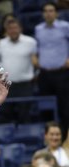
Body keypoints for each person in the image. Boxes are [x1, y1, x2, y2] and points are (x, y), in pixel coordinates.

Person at [0, 19, 37, 123]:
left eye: (15, 28)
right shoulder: (2, 43)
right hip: (7, 85)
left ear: (20, 29)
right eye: (10, 29)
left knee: (25, 114)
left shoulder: (30, 42)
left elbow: (36, 61)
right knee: (5, 114)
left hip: (25, 85)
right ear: (6, 31)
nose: (13, 31)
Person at [35, 2, 69, 131]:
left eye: (51, 10)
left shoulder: (65, 26)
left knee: (65, 108)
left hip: (62, 73)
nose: (48, 13)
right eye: (46, 11)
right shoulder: (38, 29)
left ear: (56, 13)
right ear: (43, 14)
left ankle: (66, 139)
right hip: (45, 74)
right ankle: (49, 138)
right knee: (45, 109)